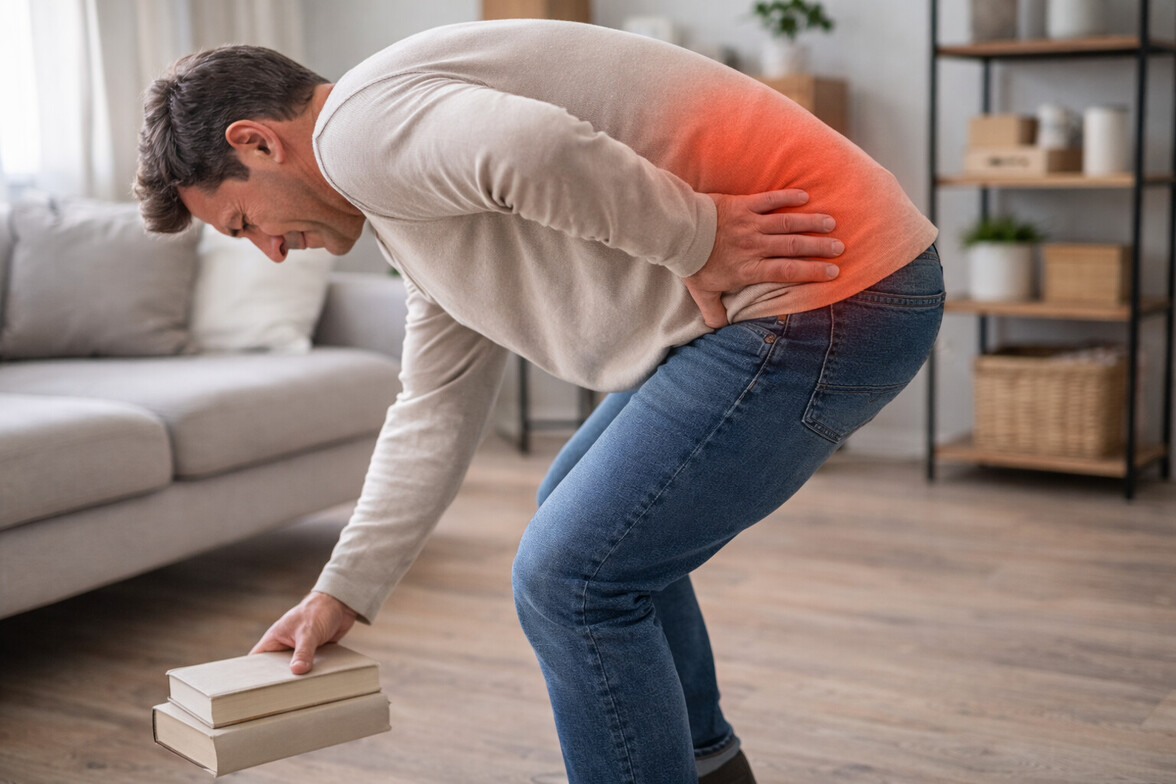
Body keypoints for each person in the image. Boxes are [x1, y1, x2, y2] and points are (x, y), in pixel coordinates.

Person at [136, 19, 942, 784]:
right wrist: (342, 589)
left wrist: (694, 236)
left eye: (244, 223)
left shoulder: (358, 131)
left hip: (825, 290)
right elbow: (436, 404)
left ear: (256, 140)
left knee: (572, 578)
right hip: (827, 286)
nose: (271, 252)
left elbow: (534, 146)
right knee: (579, 519)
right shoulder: (398, 191)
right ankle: (704, 767)